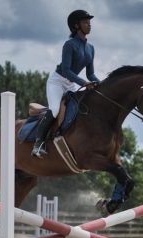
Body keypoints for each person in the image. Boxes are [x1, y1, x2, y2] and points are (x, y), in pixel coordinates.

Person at [31, 9, 100, 158]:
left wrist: (101, 84)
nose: (89, 24)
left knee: (80, 109)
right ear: (76, 26)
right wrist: (84, 83)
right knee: (55, 109)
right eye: (85, 22)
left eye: (89, 22)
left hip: (71, 84)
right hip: (57, 82)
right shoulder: (69, 45)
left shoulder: (91, 48)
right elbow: (67, 70)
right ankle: (38, 144)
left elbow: (90, 74)